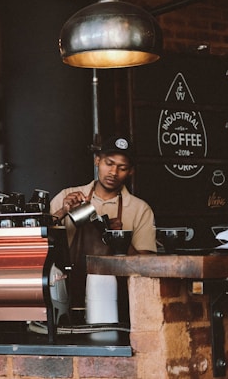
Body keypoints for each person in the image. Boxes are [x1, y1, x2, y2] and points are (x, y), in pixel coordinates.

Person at [50, 135, 156, 321]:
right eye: (109, 163)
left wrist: (120, 240)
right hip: (69, 301)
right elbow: (41, 238)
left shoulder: (140, 209)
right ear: (97, 160)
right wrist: (63, 210)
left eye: (122, 168)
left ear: (130, 171)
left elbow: (147, 266)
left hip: (117, 306)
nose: (114, 172)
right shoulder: (67, 196)